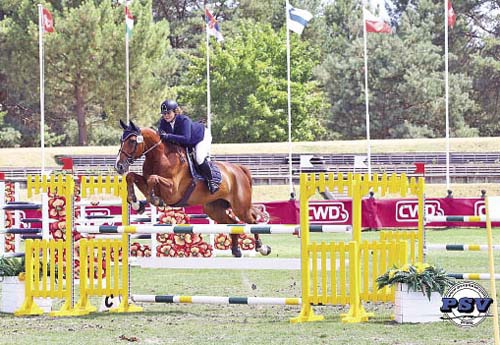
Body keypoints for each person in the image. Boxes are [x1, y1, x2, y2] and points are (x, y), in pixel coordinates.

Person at [157, 99, 219, 194]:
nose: (166, 116)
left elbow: (186, 138)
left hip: (200, 137)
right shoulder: (163, 122)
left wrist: (168, 136)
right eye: (164, 114)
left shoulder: (184, 120)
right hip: (185, 142)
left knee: (199, 158)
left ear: (175, 111)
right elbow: (161, 135)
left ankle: (212, 182)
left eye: (168, 113)